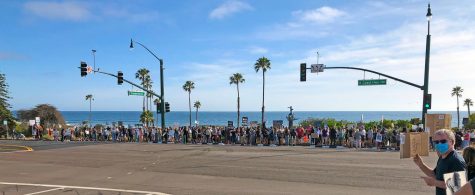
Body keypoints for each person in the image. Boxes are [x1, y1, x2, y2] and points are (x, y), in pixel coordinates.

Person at [413, 129, 466, 195]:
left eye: (443, 141)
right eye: (436, 142)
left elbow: (458, 186)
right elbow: (435, 175)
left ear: (452, 142)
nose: (439, 144)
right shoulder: (442, 157)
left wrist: (435, 183)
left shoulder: (455, 160)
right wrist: (421, 164)